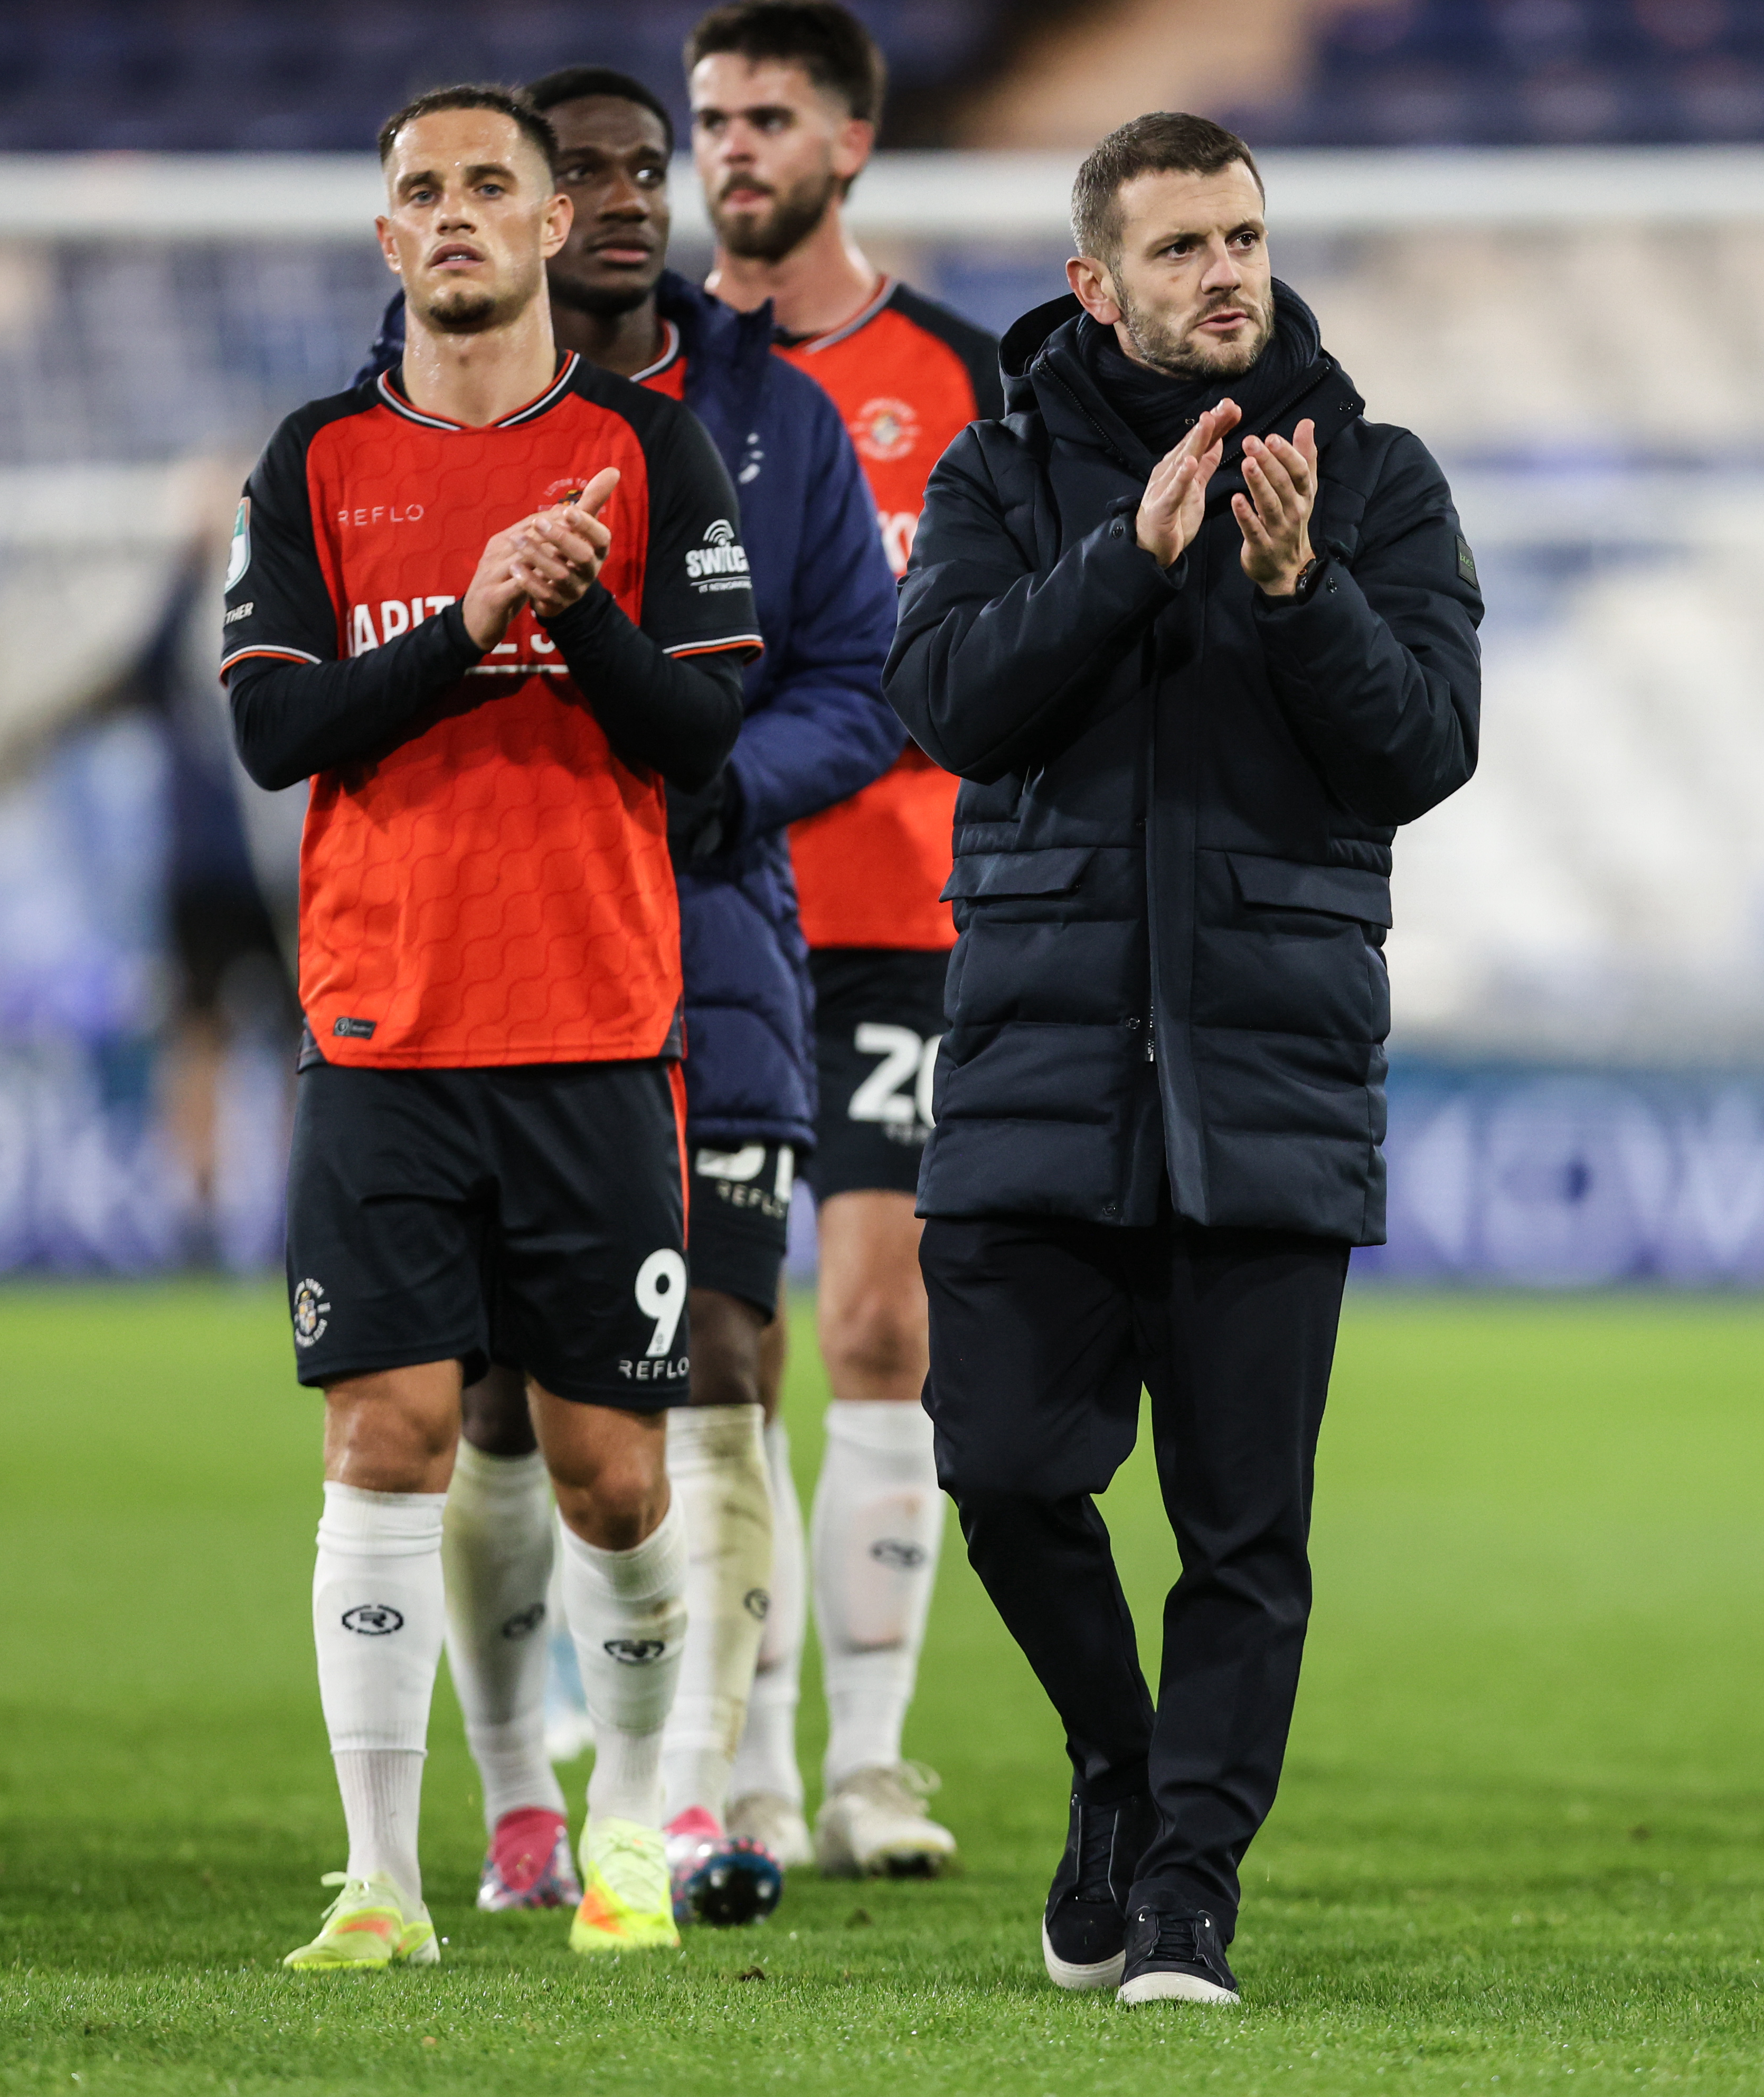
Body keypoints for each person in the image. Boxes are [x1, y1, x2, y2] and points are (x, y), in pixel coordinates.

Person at [886, 112, 1481, 2006]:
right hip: (1035, 1064)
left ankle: (1190, 1891)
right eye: (1178, 248)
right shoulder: (997, 472)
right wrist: (1126, 566)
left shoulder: (1372, 476)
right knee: (991, 1467)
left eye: (1241, 235)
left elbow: (1426, 749)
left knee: (1244, 1533)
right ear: (1095, 282)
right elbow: (950, 702)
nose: (1224, 270)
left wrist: (1303, 598)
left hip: (1268, 1078)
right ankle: (1120, 1766)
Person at [353, 65, 903, 1928]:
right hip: (489, 966)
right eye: (566, 170)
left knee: (731, 1355)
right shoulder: (391, 412)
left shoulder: (767, 420)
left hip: (714, 951)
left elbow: (861, 676)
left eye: (635, 169)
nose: (609, 198)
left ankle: (718, 1784)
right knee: (502, 1405)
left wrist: (720, 791)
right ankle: (523, 1793)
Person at [223, 83, 760, 1966]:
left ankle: (622, 1827)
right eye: (419, 193)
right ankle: (383, 1875)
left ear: (554, 230)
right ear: (388, 243)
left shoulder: (650, 454)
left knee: (615, 1470)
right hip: (380, 1034)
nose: (453, 216)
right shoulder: (309, 462)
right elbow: (278, 731)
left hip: (594, 1031)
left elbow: (703, 736)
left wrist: (571, 605)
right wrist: (465, 623)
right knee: (382, 1440)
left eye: (488, 189)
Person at [684, 0, 1004, 1881]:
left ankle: (871, 1759)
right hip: (706, 918)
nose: (732, 147)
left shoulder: (957, 376)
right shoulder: (650, 383)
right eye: (711, 116)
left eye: (769, 116)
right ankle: (730, 1760)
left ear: (853, 141)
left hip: (894, 920)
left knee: (883, 1318)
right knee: (717, 1343)